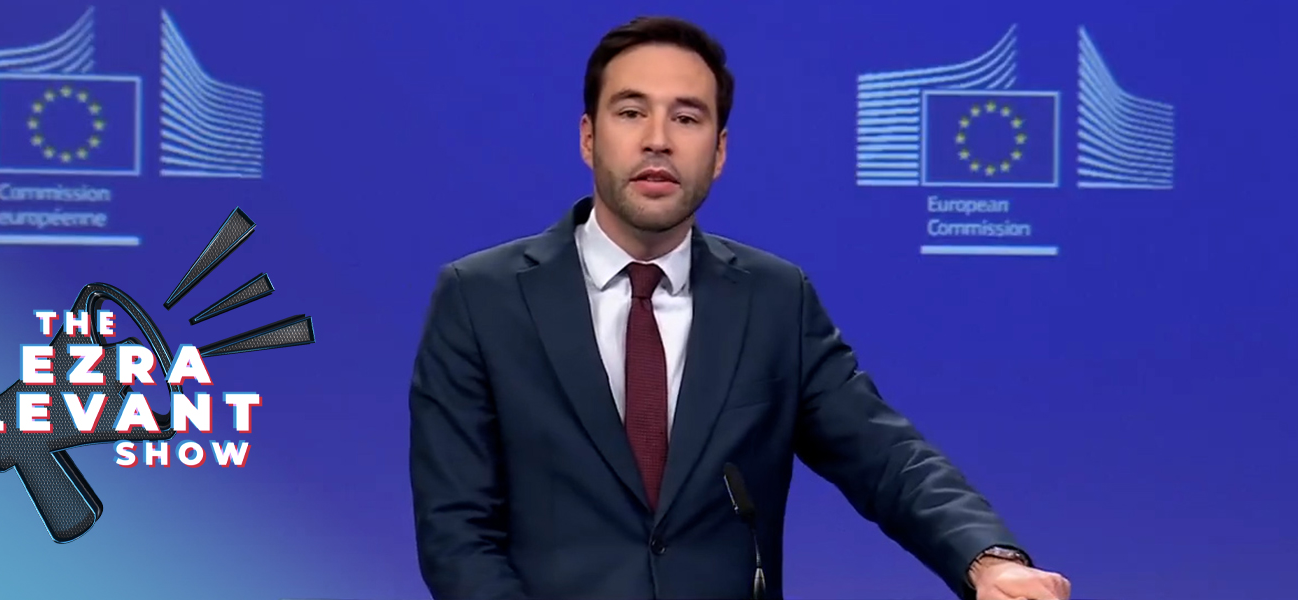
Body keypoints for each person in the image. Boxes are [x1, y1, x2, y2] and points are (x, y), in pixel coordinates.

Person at [409, 15, 1072, 600]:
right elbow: (456, 532)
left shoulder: (775, 299)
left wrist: (989, 560)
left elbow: (885, 456)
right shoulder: (481, 298)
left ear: (720, 151)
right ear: (589, 137)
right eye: (631, 112)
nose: (658, 139)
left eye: (687, 117)